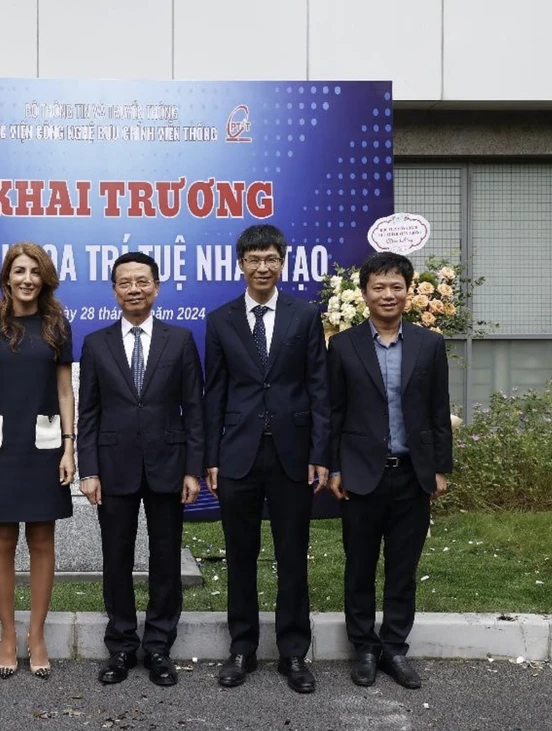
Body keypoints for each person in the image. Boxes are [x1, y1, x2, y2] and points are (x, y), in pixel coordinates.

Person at [203, 224, 330, 694]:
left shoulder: (304, 315)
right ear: (241, 264)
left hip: (293, 456)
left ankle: (294, 652)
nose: (262, 267)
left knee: (293, 555)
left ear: (282, 263)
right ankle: (242, 648)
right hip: (237, 456)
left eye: (271, 259)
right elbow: (213, 391)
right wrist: (211, 456)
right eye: (254, 259)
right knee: (240, 555)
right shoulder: (220, 320)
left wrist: (320, 453)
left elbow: (319, 386)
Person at [77, 252, 204, 688]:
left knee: (165, 558)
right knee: (116, 559)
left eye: (142, 281)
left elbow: (195, 410)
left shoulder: (181, 340)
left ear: (156, 287)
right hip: (113, 468)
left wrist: (193, 469)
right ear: (114, 290)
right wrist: (88, 469)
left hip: (169, 465)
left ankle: (159, 647)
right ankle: (122, 645)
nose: (134, 289)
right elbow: (88, 414)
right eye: (125, 282)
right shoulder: (95, 343)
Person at [327, 252, 452, 690]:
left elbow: (438, 411)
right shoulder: (343, 346)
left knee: (403, 567)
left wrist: (439, 467)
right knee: (359, 566)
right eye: (378, 287)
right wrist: (336, 468)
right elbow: (334, 412)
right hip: (361, 475)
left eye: (395, 286)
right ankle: (363, 647)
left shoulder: (429, 344)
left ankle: (395, 648)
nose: (387, 294)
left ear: (407, 291)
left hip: (412, 474)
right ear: (364, 294)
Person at [0, 242, 75, 679]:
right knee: (2, 541)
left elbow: (65, 391)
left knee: (42, 541)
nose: (27, 279)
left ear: (44, 279)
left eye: (35, 272)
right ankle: (8, 634)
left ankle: (37, 635)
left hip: (43, 445)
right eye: (19, 271)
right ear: (6, 277)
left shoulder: (56, 325)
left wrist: (69, 445)